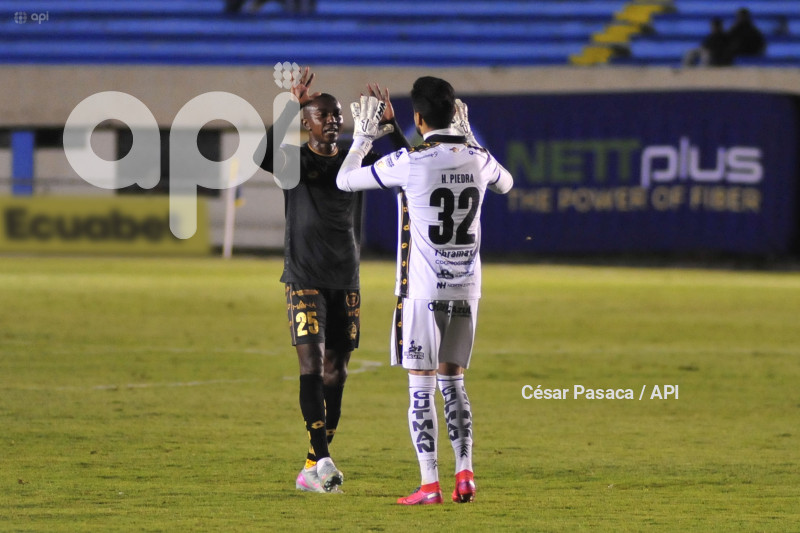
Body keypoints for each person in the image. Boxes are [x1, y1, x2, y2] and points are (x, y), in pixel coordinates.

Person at [336, 77, 514, 504]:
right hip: (467, 289)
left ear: (418, 118)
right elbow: (506, 184)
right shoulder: (477, 157)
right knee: (454, 382)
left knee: (422, 385)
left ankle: (430, 483)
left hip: (421, 291)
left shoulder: (410, 161)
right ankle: (466, 473)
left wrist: (361, 140)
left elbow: (345, 181)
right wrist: (472, 138)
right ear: (456, 112)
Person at [256, 67, 409, 493]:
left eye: (337, 114)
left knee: (337, 370)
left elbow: (410, 166)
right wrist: (290, 105)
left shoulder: (354, 160)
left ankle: (312, 463)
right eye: (323, 114)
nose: (333, 120)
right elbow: (260, 154)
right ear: (306, 123)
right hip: (303, 275)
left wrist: (393, 126)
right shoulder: (295, 162)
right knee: (311, 363)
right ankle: (323, 459)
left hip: (346, 278)